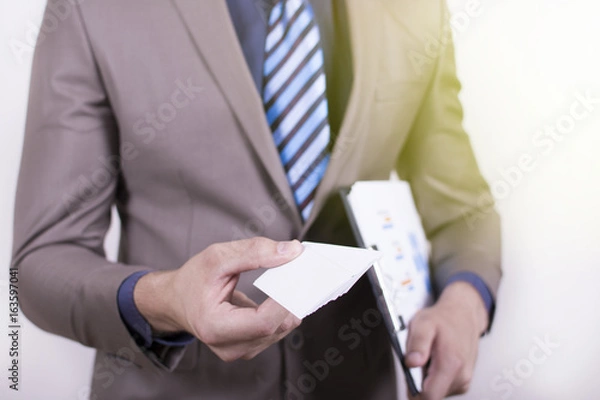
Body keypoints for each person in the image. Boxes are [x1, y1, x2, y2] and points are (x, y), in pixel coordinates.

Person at [12, 0, 501, 399]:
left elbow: (459, 208)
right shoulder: (91, 9)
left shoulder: (416, 8)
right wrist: (166, 301)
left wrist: (465, 302)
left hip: (358, 382)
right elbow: (41, 260)